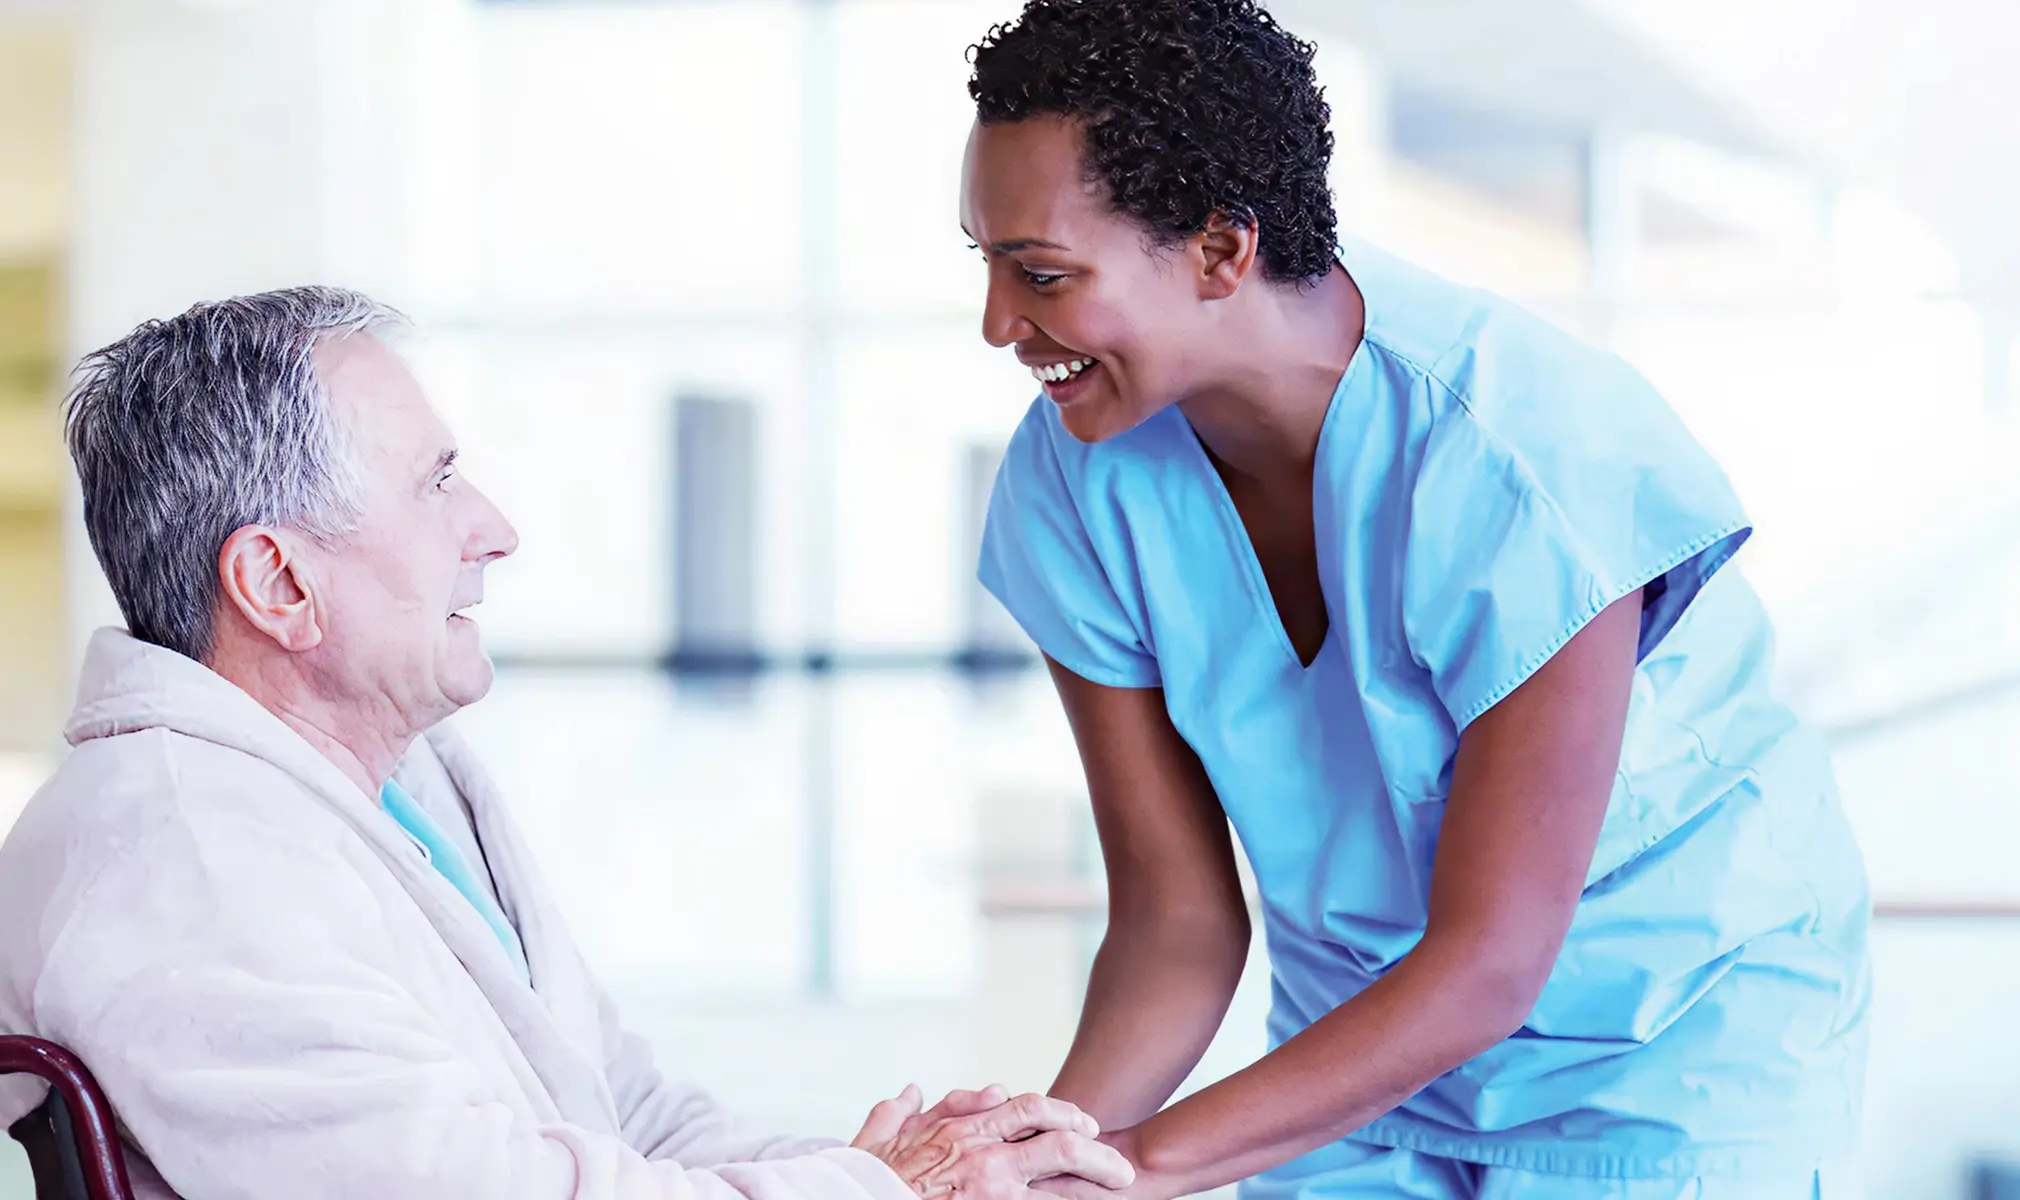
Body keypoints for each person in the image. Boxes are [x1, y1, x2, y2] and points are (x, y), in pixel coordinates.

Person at [959, 2, 1871, 1197]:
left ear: (1222, 251)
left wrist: (1143, 1162)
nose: (995, 323)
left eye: (1041, 275)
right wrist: (1048, 1160)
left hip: (1671, 1058)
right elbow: (1176, 925)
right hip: (1359, 1066)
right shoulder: (1071, 480)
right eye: (983, 262)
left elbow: (1492, 963)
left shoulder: (1521, 457)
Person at [0, 288, 1135, 1200]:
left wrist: (936, 1177)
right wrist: (885, 1189)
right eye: (435, 484)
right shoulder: (179, 856)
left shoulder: (404, 783)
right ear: (279, 583)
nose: (492, 530)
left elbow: (618, 1109)